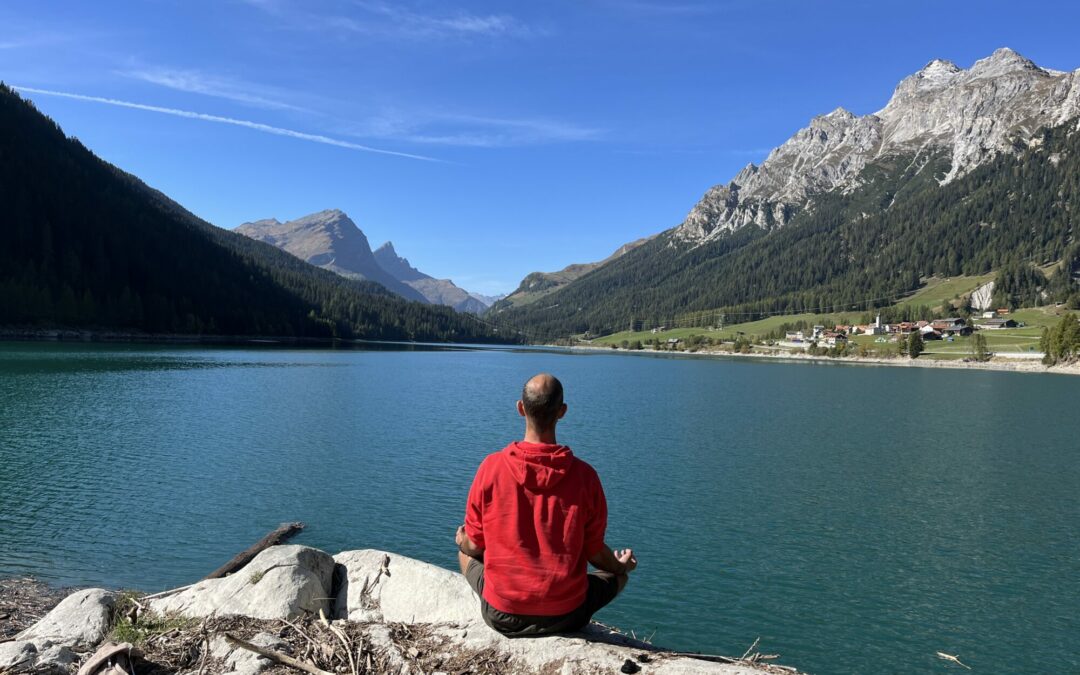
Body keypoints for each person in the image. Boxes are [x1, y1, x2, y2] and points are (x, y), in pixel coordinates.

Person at [455, 373, 637, 636]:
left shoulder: (491, 467)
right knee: (616, 577)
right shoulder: (585, 477)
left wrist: (462, 540)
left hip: (502, 614)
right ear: (562, 412)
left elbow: (474, 544)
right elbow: (594, 552)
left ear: (520, 408)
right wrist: (621, 566)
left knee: (465, 553)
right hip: (566, 615)